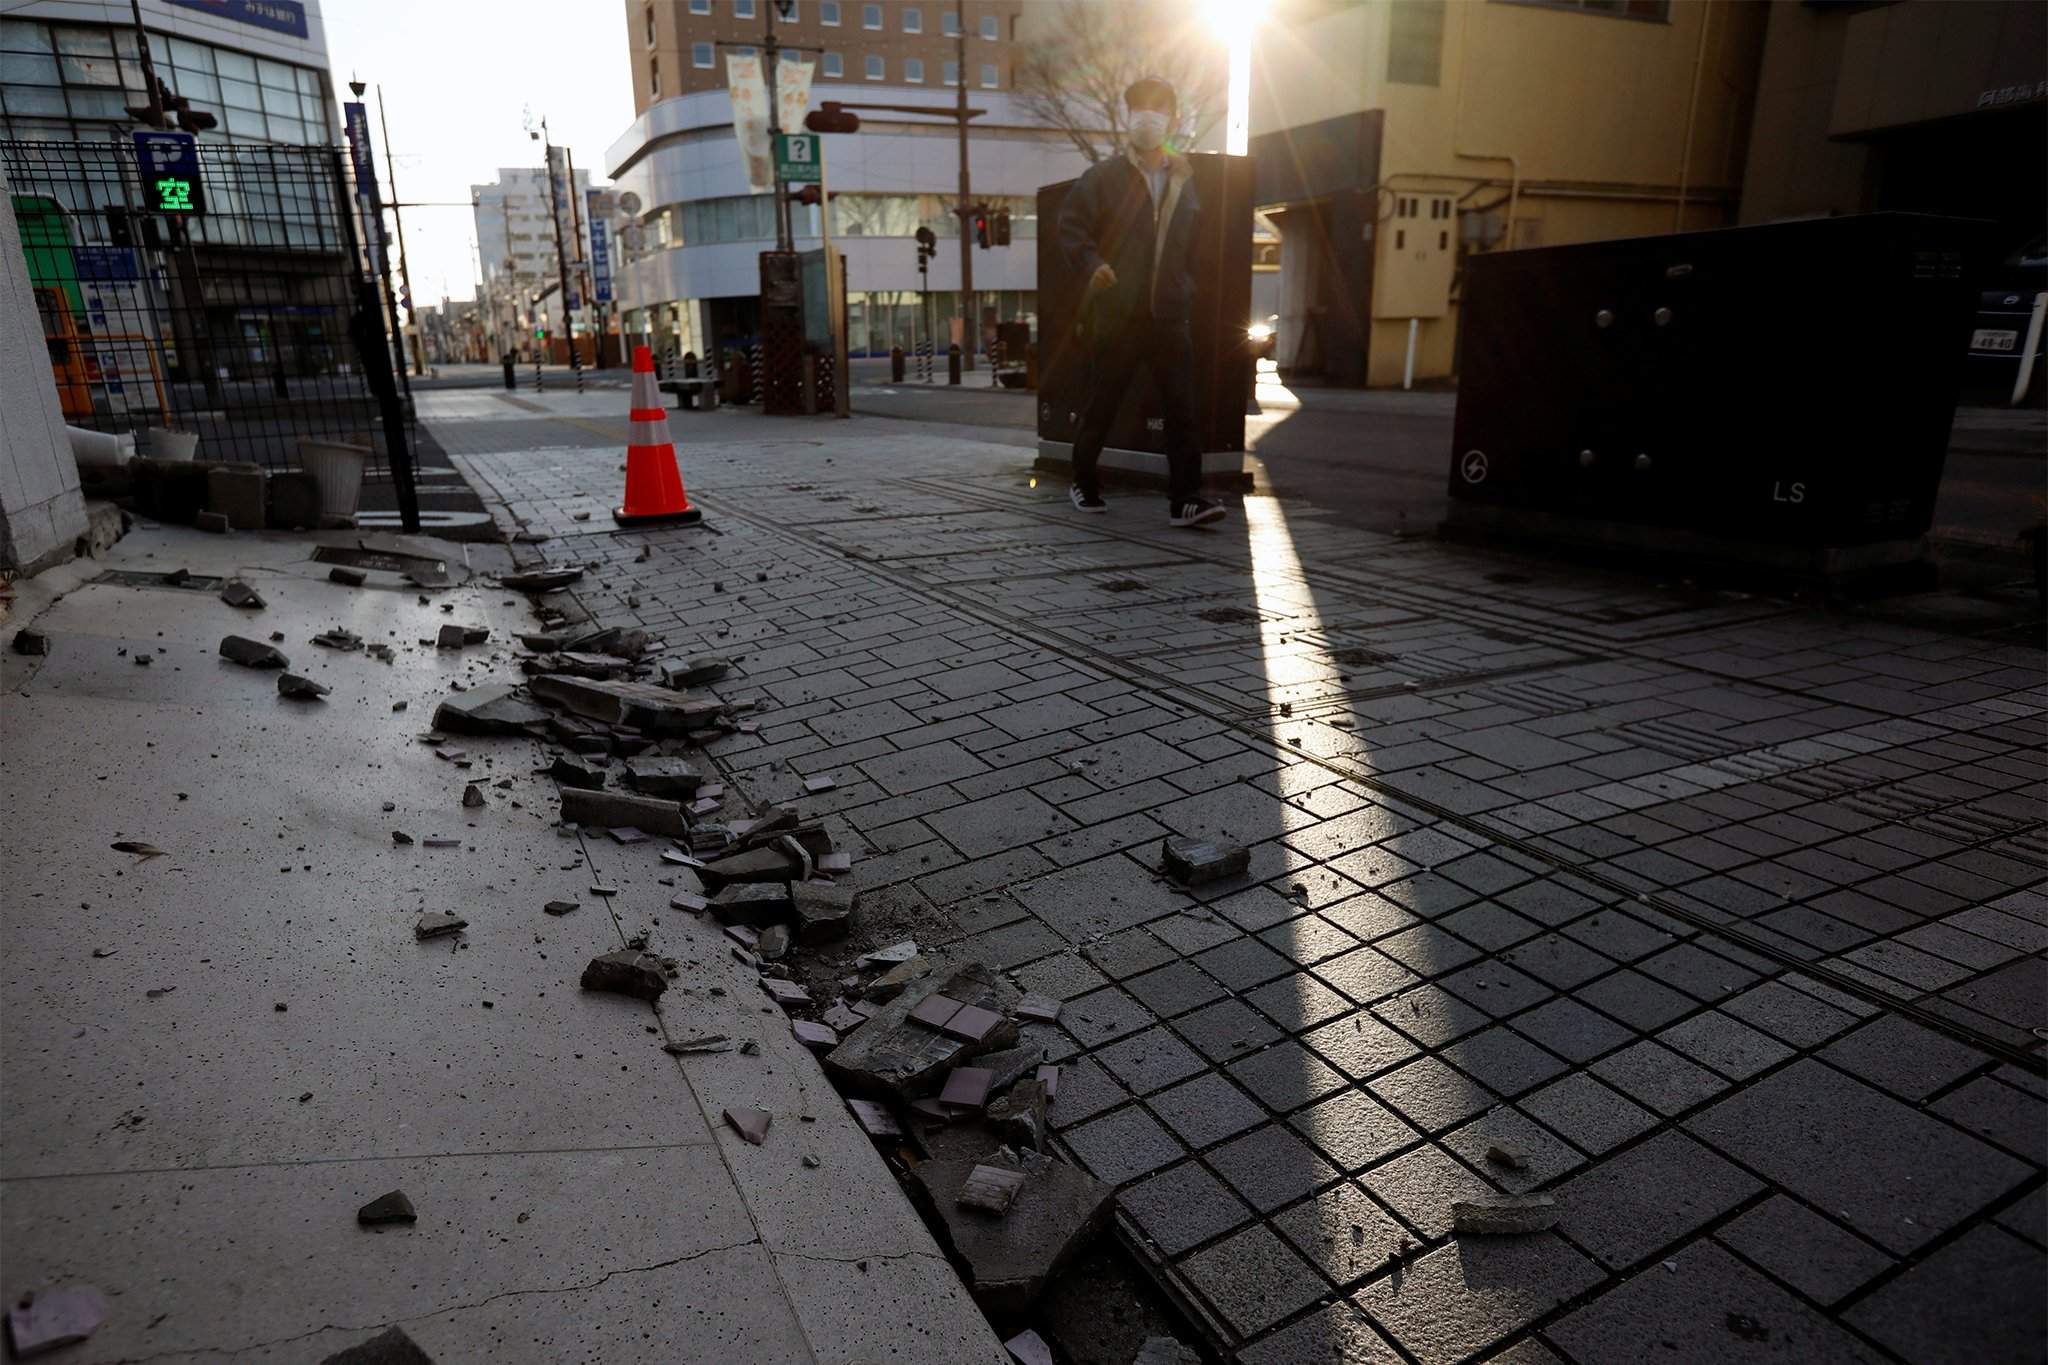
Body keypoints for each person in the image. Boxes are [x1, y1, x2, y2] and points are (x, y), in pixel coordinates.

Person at [1056, 75, 1225, 528]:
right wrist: (1093, 265)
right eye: (1137, 107)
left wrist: (1185, 286)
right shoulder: (1105, 177)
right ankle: (1084, 480)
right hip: (1117, 315)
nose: (1145, 116)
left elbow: (1196, 245)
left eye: (1156, 107)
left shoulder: (1185, 179)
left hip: (1169, 314)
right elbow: (1070, 226)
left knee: (1181, 408)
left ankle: (1186, 499)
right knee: (1104, 401)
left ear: (1172, 119)